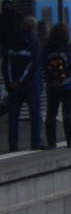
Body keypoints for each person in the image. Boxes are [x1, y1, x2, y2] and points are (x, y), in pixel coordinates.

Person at [3, 14, 46, 152]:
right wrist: (21, 80)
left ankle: (13, 144)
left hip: (14, 86)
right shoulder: (35, 42)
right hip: (31, 84)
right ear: (34, 27)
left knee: (13, 115)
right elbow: (33, 64)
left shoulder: (11, 41)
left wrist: (11, 82)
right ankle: (36, 142)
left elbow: (7, 64)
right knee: (35, 113)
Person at [42, 22, 71, 149]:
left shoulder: (47, 48)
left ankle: (51, 141)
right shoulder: (68, 48)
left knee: (51, 113)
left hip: (52, 85)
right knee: (67, 113)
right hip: (68, 85)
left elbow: (43, 64)